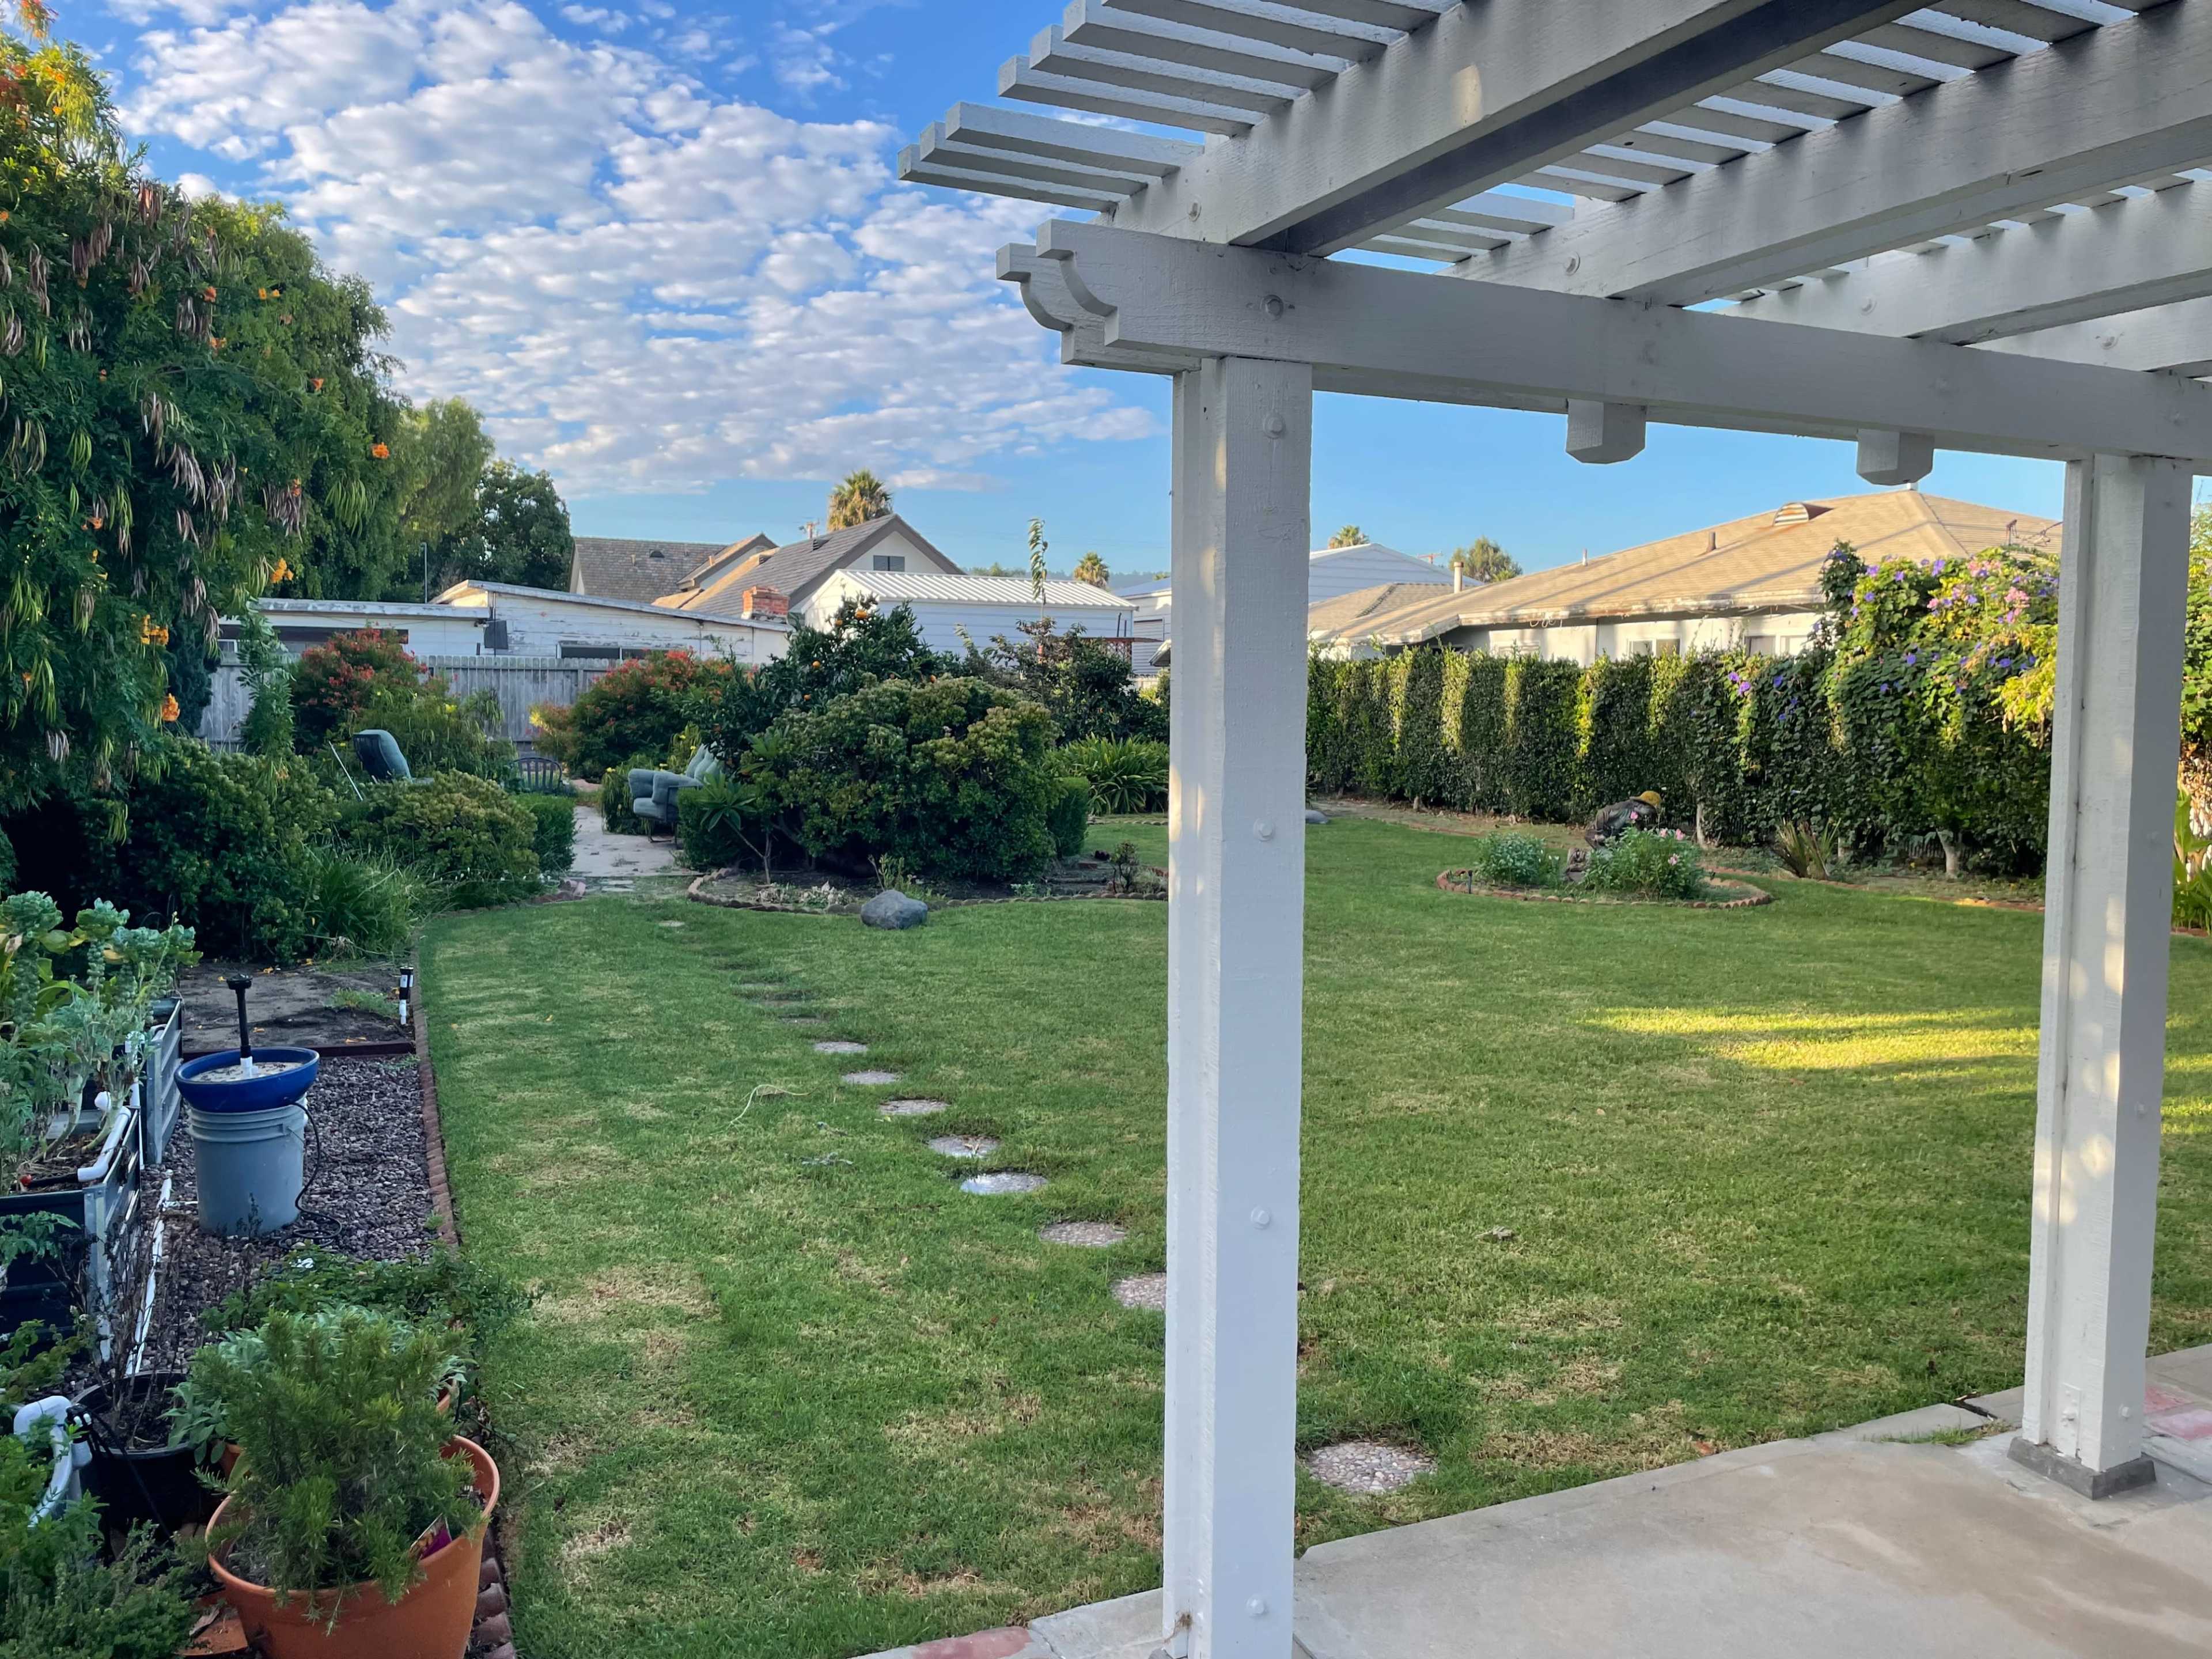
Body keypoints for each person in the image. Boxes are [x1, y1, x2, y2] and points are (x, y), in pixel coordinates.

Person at [1585, 790, 1662, 846]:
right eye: (1651, 811)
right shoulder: (1625, 809)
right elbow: (1601, 814)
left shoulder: (1638, 817)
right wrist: (1601, 833)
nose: (1651, 814)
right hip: (1598, 837)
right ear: (1644, 805)